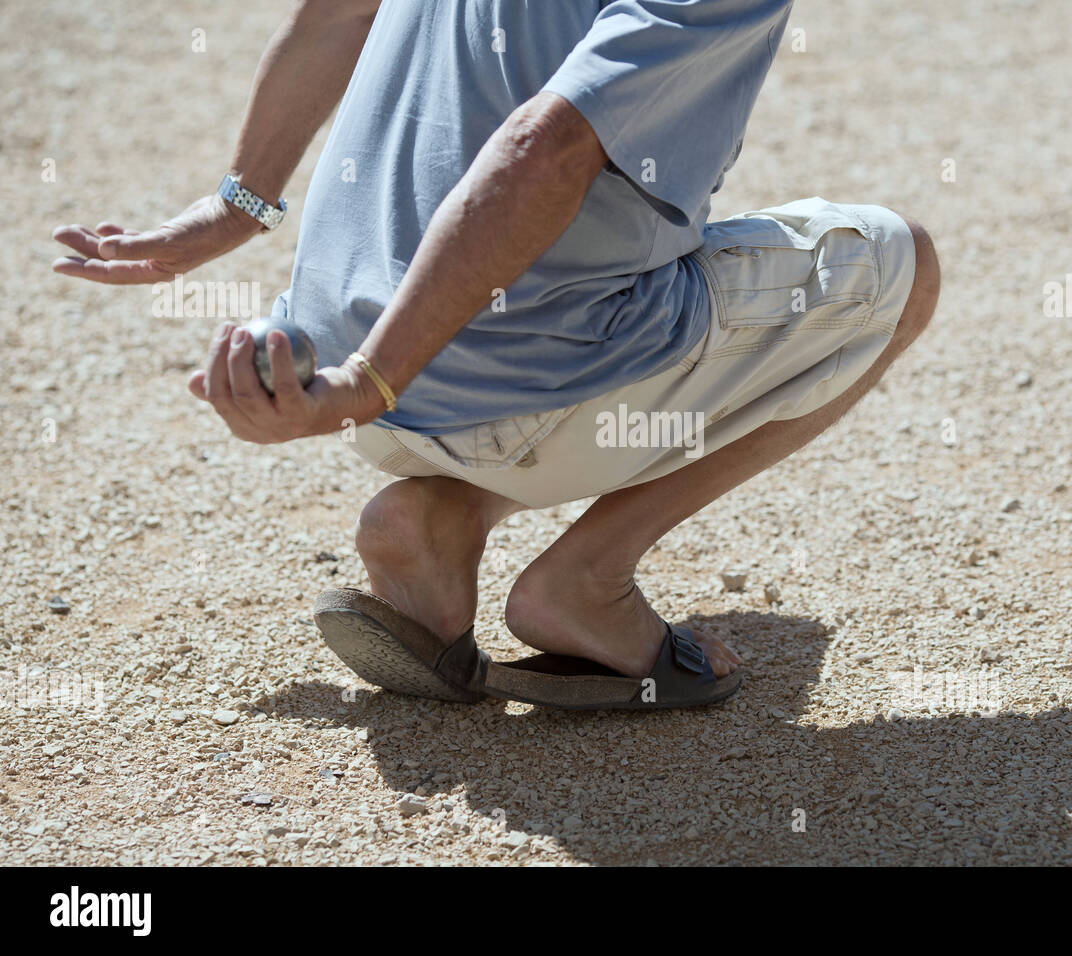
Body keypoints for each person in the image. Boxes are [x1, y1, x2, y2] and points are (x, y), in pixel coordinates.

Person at [52, 0, 939, 708]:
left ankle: (442, 518)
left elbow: (336, 12)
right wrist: (364, 385)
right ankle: (586, 579)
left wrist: (240, 205)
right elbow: (539, 153)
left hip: (344, 352)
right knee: (906, 264)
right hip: (452, 388)